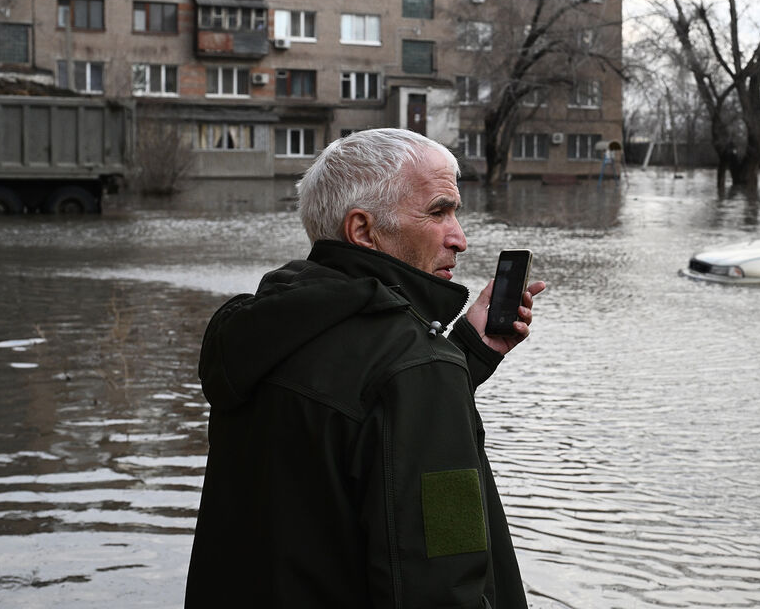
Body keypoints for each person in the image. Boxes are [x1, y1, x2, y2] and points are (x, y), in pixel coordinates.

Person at [185, 128, 546, 608]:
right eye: (439, 212)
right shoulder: (416, 369)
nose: (460, 238)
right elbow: (443, 577)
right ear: (363, 231)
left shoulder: (264, 333)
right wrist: (435, 370)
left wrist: (467, 354)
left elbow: (347, 430)